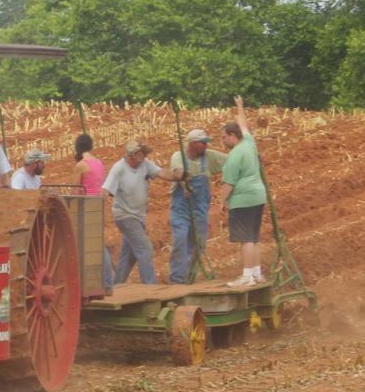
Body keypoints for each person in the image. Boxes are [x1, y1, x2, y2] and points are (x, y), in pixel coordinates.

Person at [102, 139, 183, 285]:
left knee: (129, 255)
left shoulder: (144, 165)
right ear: (133, 155)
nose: (145, 157)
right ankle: (150, 286)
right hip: (125, 216)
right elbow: (106, 189)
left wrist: (177, 177)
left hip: (138, 217)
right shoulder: (119, 169)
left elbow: (161, 173)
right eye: (142, 154)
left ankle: (117, 285)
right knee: (145, 249)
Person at [167, 128, 228, 285]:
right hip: (181, 208)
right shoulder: (178, 155)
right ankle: (177, 280)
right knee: (180, 241)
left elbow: (231, 161)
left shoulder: (209, 157)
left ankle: (189, 277)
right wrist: (183, 180)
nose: (206, 146)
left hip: (200, 209)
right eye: (203, 143)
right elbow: (178, 172)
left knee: (199, 244)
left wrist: (251, 158)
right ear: (193, 144)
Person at [220, 96, 268, 288]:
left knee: (245, 239)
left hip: (242, 200)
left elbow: (229, 183)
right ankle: (256, 273)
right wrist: (239, 105)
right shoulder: (249, 142)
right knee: (254, 238)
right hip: (258, 196)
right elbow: (243, 124)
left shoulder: (234, 155)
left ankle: (247, 275)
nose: (222, 141)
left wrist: (221, 202)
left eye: (223, 137)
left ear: (232, 136)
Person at [73, 133, 113, 294]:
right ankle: (107, 282)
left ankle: (98, 283)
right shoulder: (99, 163)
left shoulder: (81, 165)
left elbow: (74, 190)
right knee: (97, 243)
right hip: (98, 205)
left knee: (82, 245)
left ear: (78, 147)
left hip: (84, 208)